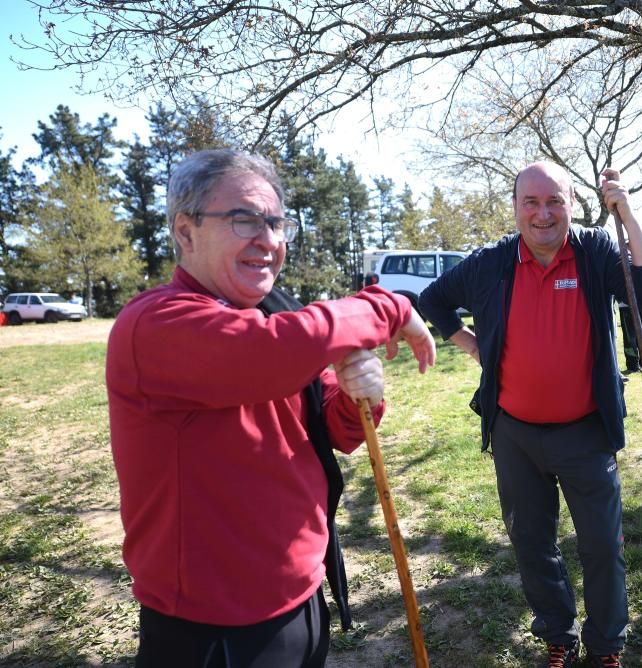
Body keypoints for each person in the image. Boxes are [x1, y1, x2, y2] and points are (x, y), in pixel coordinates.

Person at [106, 148, 436, 667]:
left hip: (302, 595)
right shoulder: (154, 323)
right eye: (243, 219)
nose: (267, 239)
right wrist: (389, 305)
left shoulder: (274, 316)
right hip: (211, 626)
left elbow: (336, 429)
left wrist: (359, 397)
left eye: (276, 222)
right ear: (185, 232)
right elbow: (266, 355)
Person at [419, 161, 642, 668]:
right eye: (530, 202)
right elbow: (433, 299)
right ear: (514, 208)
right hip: (514, 434)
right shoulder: (492, 262)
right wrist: (472, 346)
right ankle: (559, 633)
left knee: (602, 546)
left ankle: (606, 645)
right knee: (533, 546)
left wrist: (625, 210)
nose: (542, 213)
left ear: (572, 204)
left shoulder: (594, 250)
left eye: (554, 200)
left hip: (585, 432)